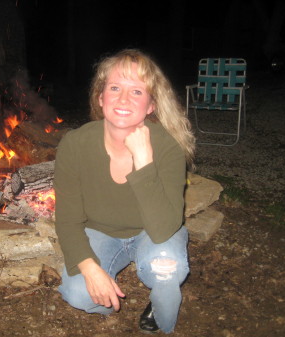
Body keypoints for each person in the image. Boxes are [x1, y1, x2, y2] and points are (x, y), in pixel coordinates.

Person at [54, 49, 195, 334]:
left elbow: (163, 229)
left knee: (168, 271)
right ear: (100, 97)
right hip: (100, 232)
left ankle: (158, 307)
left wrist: (143, 162)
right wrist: (91, 270)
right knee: (79, 293)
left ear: (151, 105)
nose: (123, 99)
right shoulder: (75, 144)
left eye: (136, 91)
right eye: (115, 87)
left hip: (152, 232)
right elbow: (67, 219)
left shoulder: (167, 147)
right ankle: (106, 289)